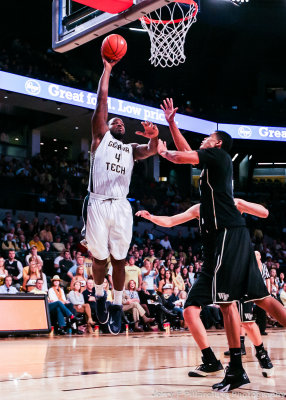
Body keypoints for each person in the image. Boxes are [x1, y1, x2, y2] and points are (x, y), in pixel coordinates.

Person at [157, 98, 286, 391]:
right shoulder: (213, 164)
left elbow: (181, 157)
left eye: (207, 138)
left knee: (227, 301)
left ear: (216, 145)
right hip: (233, 234)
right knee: (262, 298)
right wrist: (172, 123)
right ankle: (234, 366)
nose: (203, 140)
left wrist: (162, 150)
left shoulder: (217, 158)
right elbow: (189, 152)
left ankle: (236, 368)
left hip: (226, 234)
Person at [136, 194, 275, 389]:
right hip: (210, 269)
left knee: (248, 322)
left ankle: (261, 353)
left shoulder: (231, 204)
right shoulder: (199, 209)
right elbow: (171, 221)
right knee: (189, 311)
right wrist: (152, 217)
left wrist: (241, 204)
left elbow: (264, 213)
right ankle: (210, 361)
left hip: (233, 265)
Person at [80, 52, 159, 334]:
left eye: (123, 124)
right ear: (105, 127)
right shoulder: (100, 140)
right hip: (98, 203)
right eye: (115, 122)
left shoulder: (130, 150)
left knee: (120, 260)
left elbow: (151, 150)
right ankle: (99, 293)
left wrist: (155, 136)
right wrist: (107, 70)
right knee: (99, 259)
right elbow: (102, 103)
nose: (120, 124)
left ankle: (115, 303)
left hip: (121, 206)